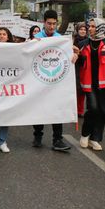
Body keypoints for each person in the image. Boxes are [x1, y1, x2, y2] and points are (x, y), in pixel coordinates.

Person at [31, 9, 74, 152]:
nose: (51, 27)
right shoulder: (36, 38)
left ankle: (58, 140)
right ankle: (37, 136)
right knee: (39, 111)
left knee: (57, 110)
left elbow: (69, 54)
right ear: (44, 23)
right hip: (39, 81)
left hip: (55, 84)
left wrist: (75, 55)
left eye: (54, 24)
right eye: (49, 23)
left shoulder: (60, 39)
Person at [77, 18, 105, 151]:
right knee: (93, 108)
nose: (89, 28)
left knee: (102, 111)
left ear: (100, 28)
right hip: (88, 83)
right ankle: (85, 134)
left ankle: (95, 139)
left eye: (92, 26)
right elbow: (77, 62)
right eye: (89, 26)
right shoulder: (83, 44)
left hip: (104, 83)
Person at [73, 22, 88, 118]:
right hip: (75, 68)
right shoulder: (73, 41)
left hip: (85, 68)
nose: (82, 31)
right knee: (75, 89)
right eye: (81, 29)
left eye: (84, 30)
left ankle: (80, 110)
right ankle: (74, 109)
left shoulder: (89, 41)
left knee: (83, 90)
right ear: (77, 30)